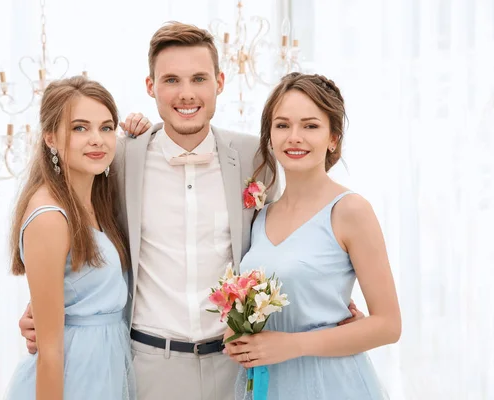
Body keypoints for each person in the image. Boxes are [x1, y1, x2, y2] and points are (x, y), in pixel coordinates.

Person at [19, 23, 364, 400]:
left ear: (219, 82)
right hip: (146, 365)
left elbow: (281, 242)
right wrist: (48, 308)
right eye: (171, 80)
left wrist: (327, 306)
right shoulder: (118, 158)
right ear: (151, 87)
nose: (186, 94)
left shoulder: (257, 158)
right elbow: (82, 242)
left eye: (199, 78)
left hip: (236, 364)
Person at [224, 72, 401, 399]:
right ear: (270, 136)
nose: (294, 137)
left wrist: (292, 345)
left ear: (333, 137)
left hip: (328, 383)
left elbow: (389, 325)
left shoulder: (350, 211)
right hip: (268, 383)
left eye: (310, 126)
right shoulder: (260, 215)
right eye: (282, 125)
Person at [5, 76, 150, 399]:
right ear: (51, 138)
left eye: (107, 127)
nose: (97, 139)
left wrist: (142, 134)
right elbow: (50, 352)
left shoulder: (96, 201)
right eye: (80, 128)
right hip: (74, 374)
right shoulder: (50, 217)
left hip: (106, 367)